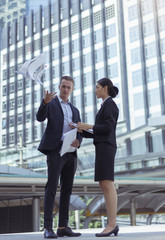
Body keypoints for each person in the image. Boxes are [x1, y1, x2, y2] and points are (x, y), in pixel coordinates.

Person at [36, 76, 82, 239]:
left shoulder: (75, 110)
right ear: (59, 86)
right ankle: (48, 228)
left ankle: (63, 226)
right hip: (55, 150)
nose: (65, 90)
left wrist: (78, 142)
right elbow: (40, 117)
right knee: (52, 187)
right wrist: (45, 102)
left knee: (67, 189)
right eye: (63, 87)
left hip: (71, 152)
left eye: (69, 87)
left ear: (72, 89)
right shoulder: (52, 103)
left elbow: (80, 130)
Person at [75, 78, 119, 237]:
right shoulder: (105, 106)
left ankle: (112, 224)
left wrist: (89, 126)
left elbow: (108, 128)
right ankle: (112, 223)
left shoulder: (110, 105)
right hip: (102, 147)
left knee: (107, 183)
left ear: (105, 88)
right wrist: (81, 131)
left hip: (107, 147)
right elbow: (99, 131)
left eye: (97, 87)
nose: (95, 90)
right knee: (104, 183)